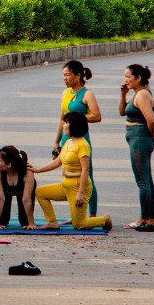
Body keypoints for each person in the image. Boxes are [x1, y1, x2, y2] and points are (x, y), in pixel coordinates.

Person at [29, 111, 111, 231]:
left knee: (78, 225)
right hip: (66, 185)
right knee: (40, 192)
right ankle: (52, 222)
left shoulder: (83, 145)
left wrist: (81, 193)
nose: (63, 125)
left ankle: (104, 219)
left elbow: (85, 170)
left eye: (66, 123)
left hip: (78, 187)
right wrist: (37, 170)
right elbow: (57, 162)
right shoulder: (67, 143)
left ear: (74, 125)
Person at [53, 60, 101, 216]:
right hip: (66, 140)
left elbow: (96, 116)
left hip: (81, 138)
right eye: (63, 75)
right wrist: (57, 140)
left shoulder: (87, 94)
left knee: (87, 177)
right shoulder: (65, 93)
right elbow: (62, 118)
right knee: (68, 177)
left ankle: (92, 215)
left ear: (78, 75)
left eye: (67, 75)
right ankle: (75, 213)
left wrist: (78, 118)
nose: (64, 78)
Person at [118, 63, 154, 231]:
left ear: (138, 78)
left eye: (128, 77)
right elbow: (122, 112)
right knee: (147, 180)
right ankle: (152, 219)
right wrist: (123, 95)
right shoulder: (137, 94)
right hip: (138, 138)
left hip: (139, 139)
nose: (125, 80)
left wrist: (152, 135)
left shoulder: (142, 95)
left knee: (142, 181)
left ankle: (145, 218)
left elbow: (151, 120)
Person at [0, 145, 34, 229]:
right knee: (2, 222)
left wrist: (31, 223)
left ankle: (28, 220)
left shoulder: (27, 172)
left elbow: (26, 199)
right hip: (5, 191)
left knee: (25, 222)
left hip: (22, 191)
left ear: (9, 165)